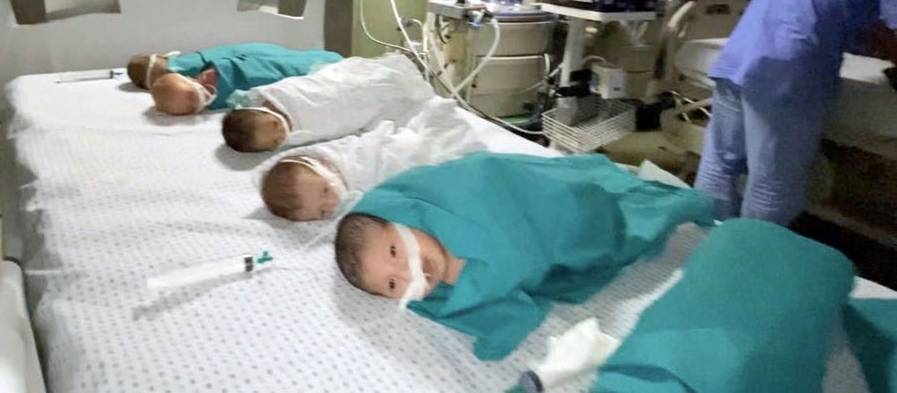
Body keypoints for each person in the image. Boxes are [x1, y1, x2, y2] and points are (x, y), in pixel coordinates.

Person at [334, 152, 715, 360]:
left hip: (557, 208)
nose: (408, 271)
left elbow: (492, 182)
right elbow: (499, 306)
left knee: (605, 218)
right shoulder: (443, 295)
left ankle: (660, 199)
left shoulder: (443, 202)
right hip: (539, 248)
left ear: (400, 220)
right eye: (392, 284)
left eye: (395, 251)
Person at [694, 0, 897, 226]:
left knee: (719, 163)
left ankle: (702, 250)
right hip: (789, 68)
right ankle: (749, 265)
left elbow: (857, 15)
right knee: (773, 185)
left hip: (742, 52)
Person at [260, 97, 485, 221]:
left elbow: (383, 153)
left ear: (327, 165)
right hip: (416, 176)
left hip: (402, 150)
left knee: (431, 144)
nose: (332, 203)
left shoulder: (353, 158)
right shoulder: (349, 205)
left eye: (325, 191)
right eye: (322, 212)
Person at [222, 53, 435, 152]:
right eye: (275, 142)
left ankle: (393, 81)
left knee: (373, 82)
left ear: (260, 109)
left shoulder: (278, 96)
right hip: (344, 114)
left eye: (275, 125)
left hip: (336, 87)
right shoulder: (293, 136)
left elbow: (311, 87)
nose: (282, 133)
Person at [137, 43, 342, 116]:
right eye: (192, 107)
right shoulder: (217, 101)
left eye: (193, 94)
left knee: (304, 67)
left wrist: (221, 72)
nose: (200, 100)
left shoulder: (213, 71)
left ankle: (328, 65)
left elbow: (260, 65)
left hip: (293, 66)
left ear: (193, 78)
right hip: (305, 79)